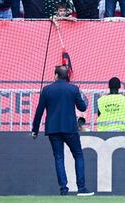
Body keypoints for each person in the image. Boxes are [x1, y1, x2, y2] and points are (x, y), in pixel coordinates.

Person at [31, 65, 94, 196]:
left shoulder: (47, 90)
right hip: (70, 129)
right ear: (67, 76)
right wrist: (79, 96)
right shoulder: (73, 89)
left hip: (53, 130)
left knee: (59, 158)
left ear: (56, 75)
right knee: (78, 155)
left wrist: (35, 130)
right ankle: (81, 189)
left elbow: (39, 111)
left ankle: (63, 190)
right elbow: (82, 107)